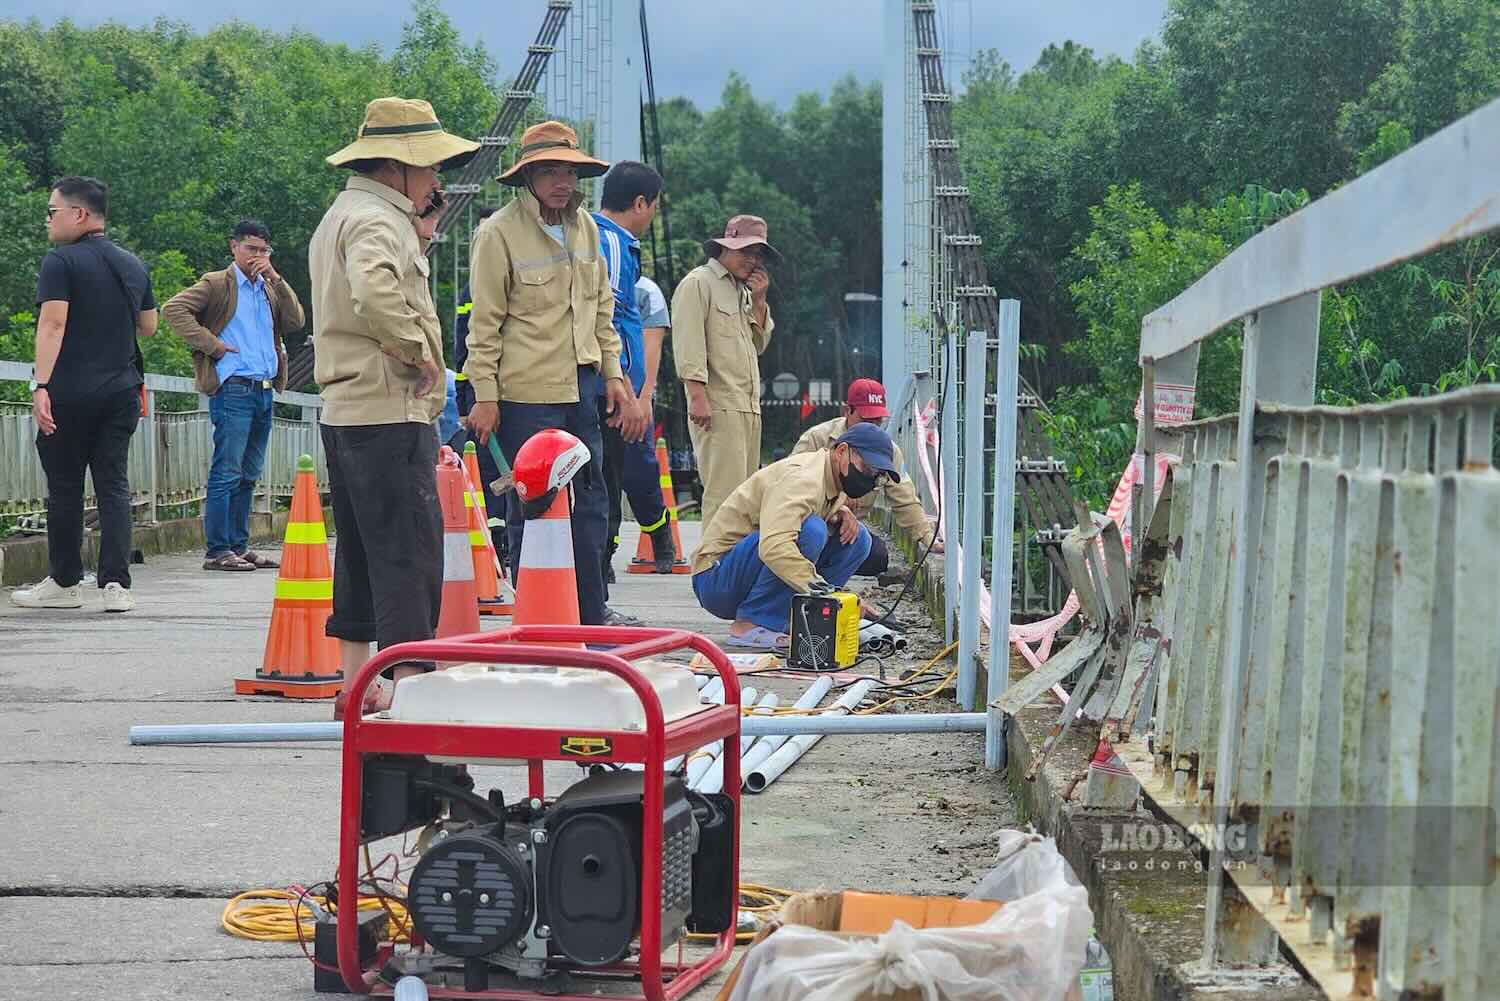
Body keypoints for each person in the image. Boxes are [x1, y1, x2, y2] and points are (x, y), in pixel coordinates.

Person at [309, 97, 479, 716]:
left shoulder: (342, 213)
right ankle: (408, 691)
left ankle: (356, 684)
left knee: (359, 553)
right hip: (388, 405)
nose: (436, 181)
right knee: (408, 554)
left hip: (347, 407)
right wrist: (416, 351)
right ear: (396, 168)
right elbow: (377, 289)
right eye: (429, 166)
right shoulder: (379, 221)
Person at [463, 120, 645, 628]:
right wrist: (485, 395)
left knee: (590, 501)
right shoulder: (498, 233)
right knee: (534, 506)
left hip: (583, 389)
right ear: (528, 177)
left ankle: (590, 613)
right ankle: (540, 617)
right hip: (525, 396)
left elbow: (601, 311)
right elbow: (485, 324)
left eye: (568, 170)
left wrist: (614, 375)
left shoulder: (585, 228)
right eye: (549, 171)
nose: (562, 181)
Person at [13, 176, 157, 613]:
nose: (48, 221)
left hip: (70, 394)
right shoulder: (132, 264)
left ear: (79, 214)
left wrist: (40, 385)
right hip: (120, 392)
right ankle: (116, 586)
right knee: (113, 484)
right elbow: (148, 325)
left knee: (65, 488)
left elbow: (53, 324)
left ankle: (64, 582)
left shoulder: (61, 261)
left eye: (52, 212)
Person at [162, 219, 306, 572]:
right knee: (227, 470)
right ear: (234, 247)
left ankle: (239, 546)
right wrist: (213, 346)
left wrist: (276, 278)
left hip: (264, 387)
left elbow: (297, 320)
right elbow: (173, 310)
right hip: (234, 388)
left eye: (263, 250)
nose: (257, 256)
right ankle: (217, 549)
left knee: (249, 472)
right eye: (250, 249)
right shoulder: (218, 283)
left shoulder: (267, 288)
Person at [691, 422, 900, 651]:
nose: (870, 478)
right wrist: (829, 593)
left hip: (739, 573)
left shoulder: (831, 479)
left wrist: (841, 511)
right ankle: (750, 624)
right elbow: (774, 546)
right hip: (715, 578)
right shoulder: (803, 479)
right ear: (841, 451)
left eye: (877, 475)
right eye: (867, 468)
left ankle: (801, 619)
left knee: (859, 540)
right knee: (811, 531)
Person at [594, 161, 674, 599]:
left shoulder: (620, 250)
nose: (653, 215)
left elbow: (645, 339)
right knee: (605, 479)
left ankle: (612, 561)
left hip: (622, 388)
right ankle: (598, 575)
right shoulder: (609, 243)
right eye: (654, 206)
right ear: (640, 203)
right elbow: (605, 318)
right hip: (612, 389)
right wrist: (622, 386)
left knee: (626, 474)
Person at [672, 215, 776, 529]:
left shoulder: (742, 291)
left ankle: (733, 571)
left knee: (746, 499)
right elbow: (689, 343)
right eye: (746, 251)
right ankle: (711, 571)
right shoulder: (699, 283)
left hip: (747, 407)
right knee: (723, 497)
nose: (753, 260)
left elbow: (758, 344)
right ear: (725, 247)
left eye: (758, 254)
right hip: (718, 406)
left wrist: (759, 300)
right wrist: (697, 396)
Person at [790, 377, 941, 576]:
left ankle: (826, 589)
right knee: (814, 532)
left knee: (875, 554)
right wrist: (838, 508)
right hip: (808, 526)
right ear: (847, 411)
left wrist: (927, 536)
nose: (871, 426)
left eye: (877, 421)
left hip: (843, 533)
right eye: (865, 419)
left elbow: (905, 499)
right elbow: (790, 487)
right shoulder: (816, 439)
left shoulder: (889, 453)